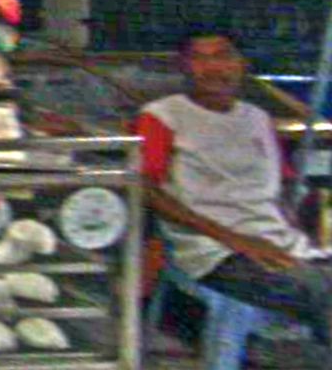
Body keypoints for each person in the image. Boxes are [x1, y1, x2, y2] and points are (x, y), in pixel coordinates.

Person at [137, 28, 332, 353]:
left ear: (242, 64)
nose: (214, 68)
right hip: (212, 251)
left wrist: (301, 237)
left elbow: (279, 189)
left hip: (276, 242)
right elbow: (146, 189)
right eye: (200, 58)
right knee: (319, 289)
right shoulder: (162, 116)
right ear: (183, 66)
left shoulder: (258, 118)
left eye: (223, 56)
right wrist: (235, 239)